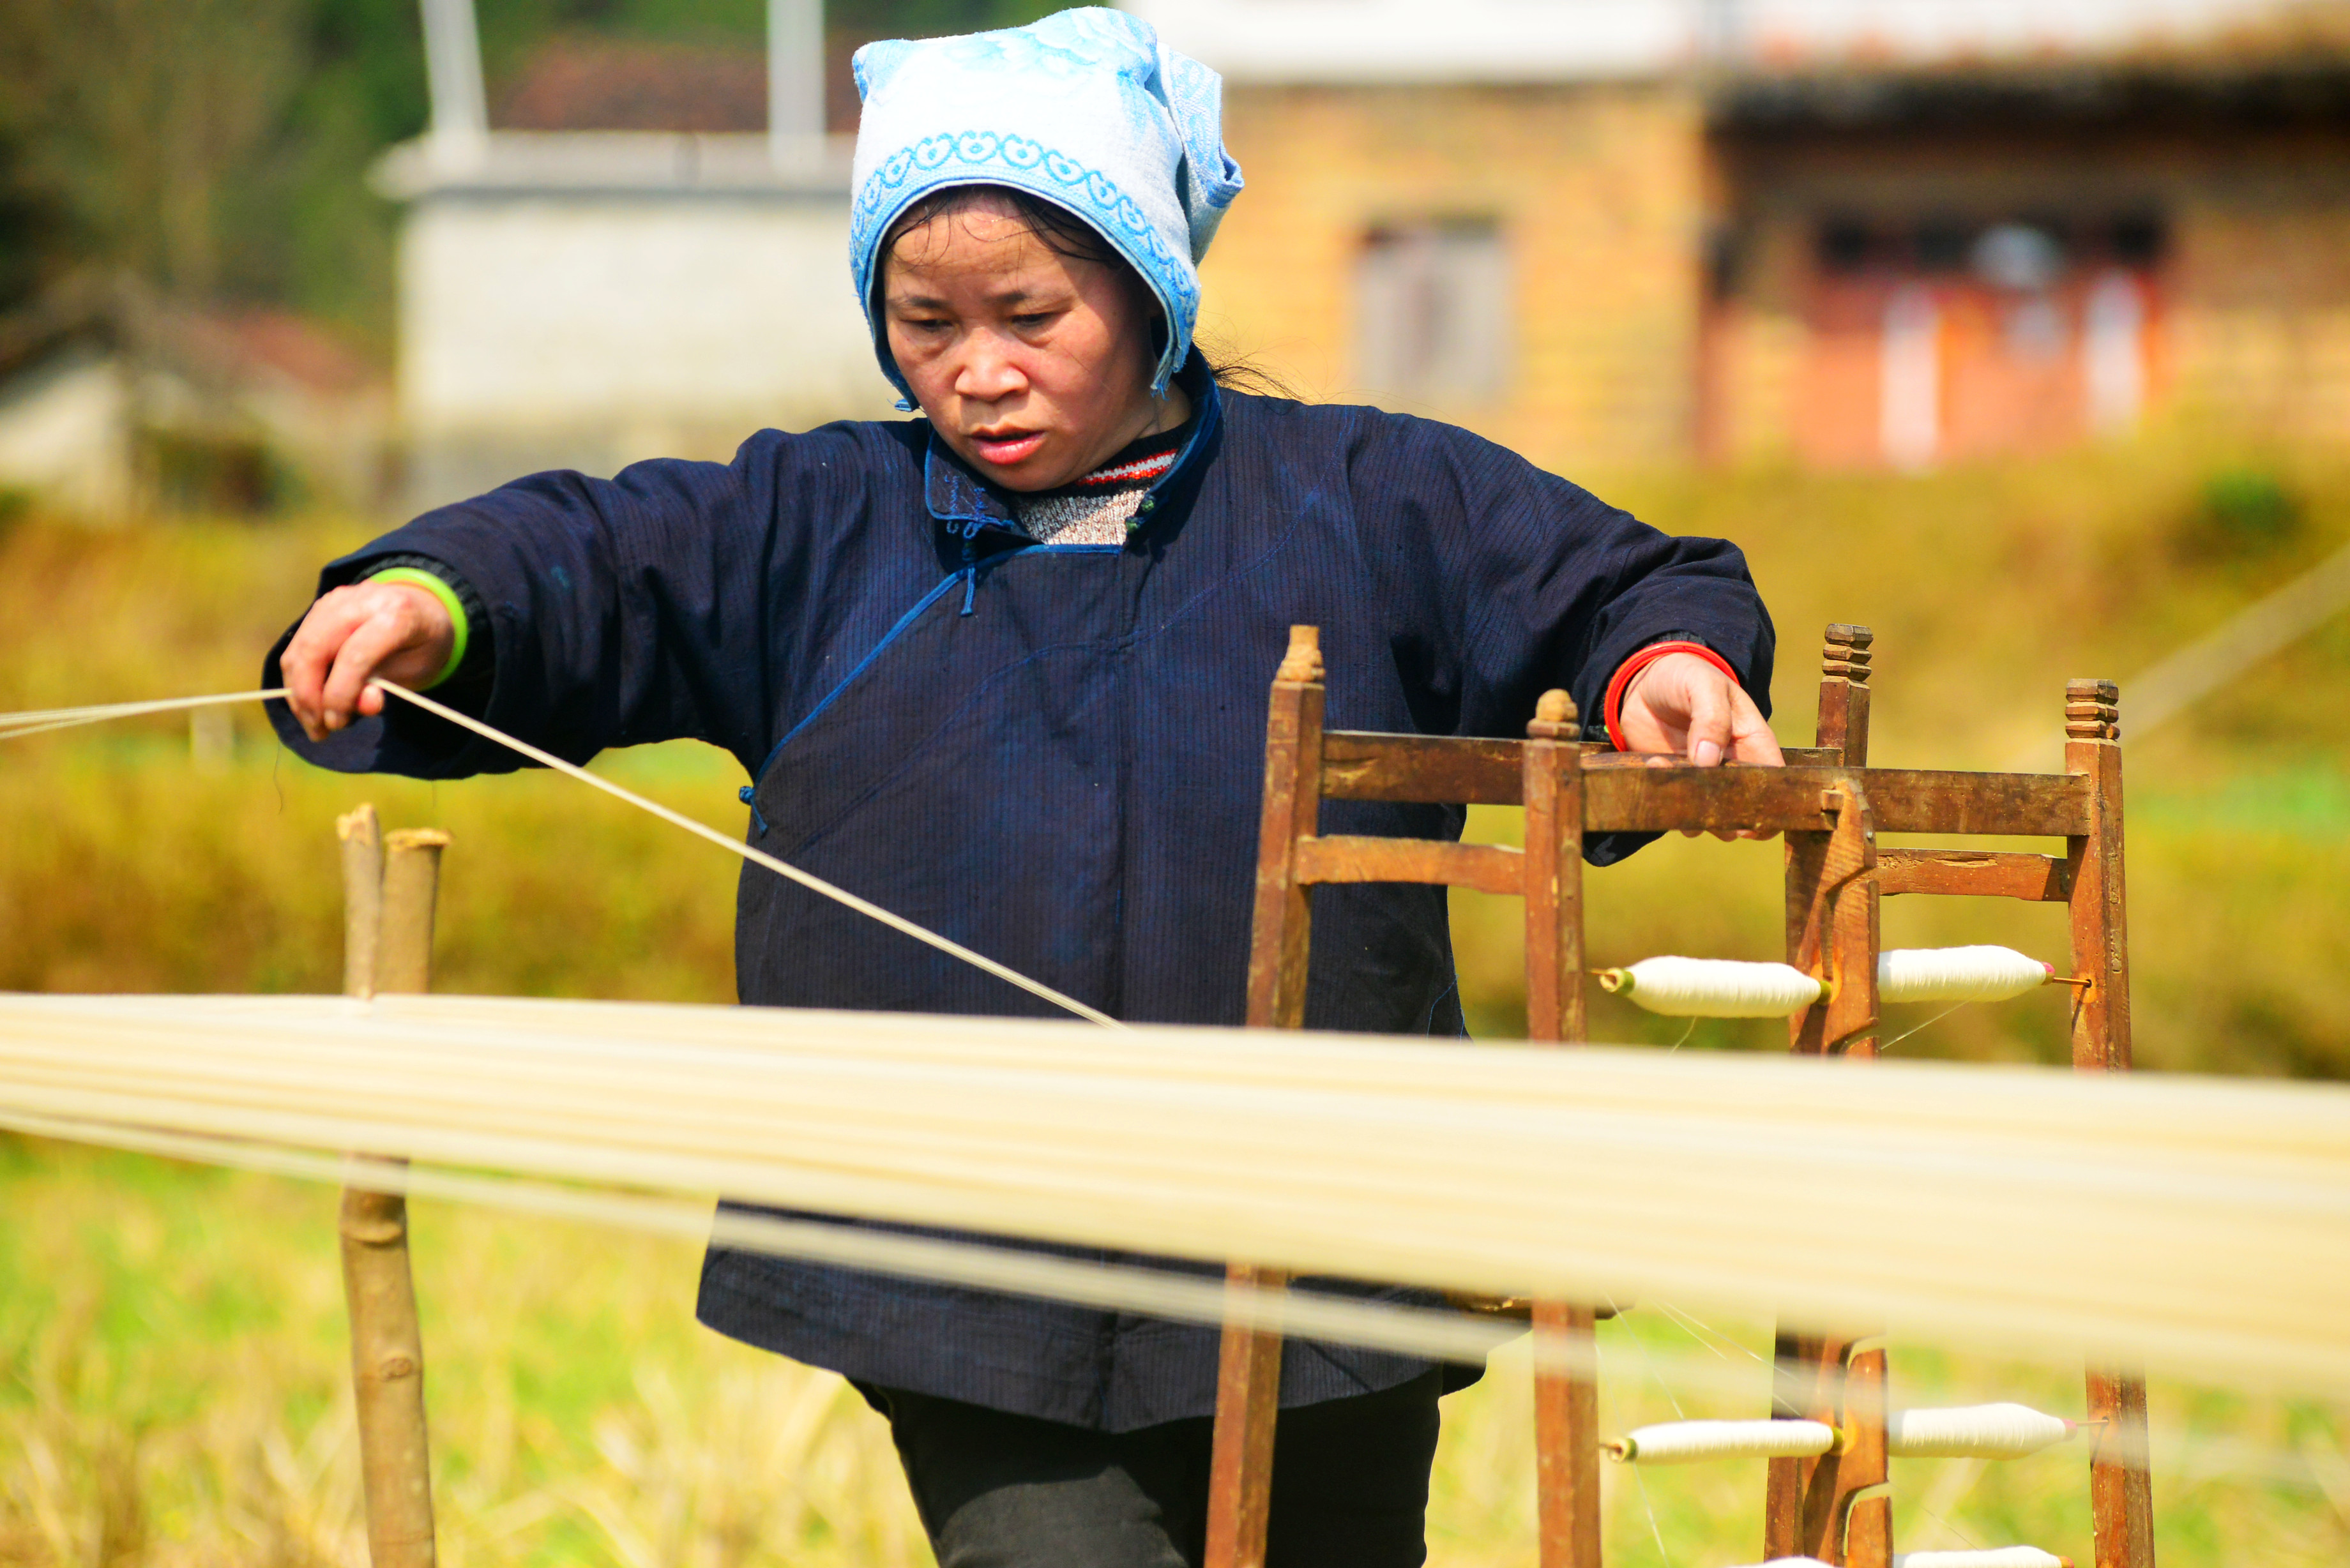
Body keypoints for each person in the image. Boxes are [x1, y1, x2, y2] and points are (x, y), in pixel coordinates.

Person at [268, 10, 1782, 1565]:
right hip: (961, 1268)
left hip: (1329, 1250)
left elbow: (1617, 583)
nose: (977, 371)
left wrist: (1661, 663)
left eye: (1030, 315)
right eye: (926, 323)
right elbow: (600, 557)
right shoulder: (818, 523)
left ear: (1149, 295)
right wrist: (436, 601)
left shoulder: (1370, 496)